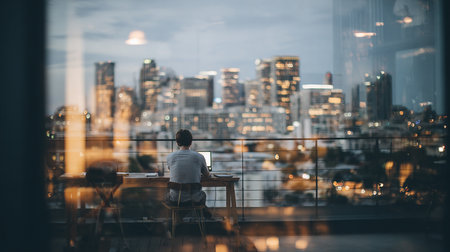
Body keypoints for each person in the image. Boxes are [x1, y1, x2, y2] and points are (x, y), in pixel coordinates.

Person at [166, 129, 210, 206]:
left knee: (167, 196)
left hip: (176, 201)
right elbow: (207, 175)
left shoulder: (170, 157)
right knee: (203, 194)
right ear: (191, 142)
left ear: (177, 142)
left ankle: (178, 218)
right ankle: (200, 216)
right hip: (194, 201)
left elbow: (171, 170)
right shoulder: (199, 157)